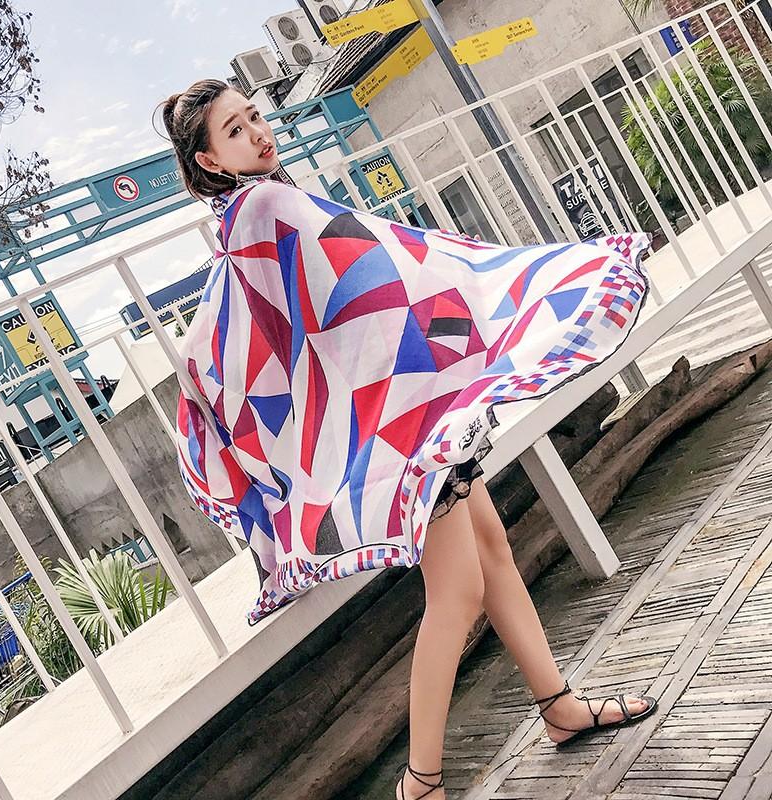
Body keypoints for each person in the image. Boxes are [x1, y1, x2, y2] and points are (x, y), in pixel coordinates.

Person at [159, 79, 658, 799]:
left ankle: (558, 708)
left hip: (397, 410)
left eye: (256, 116)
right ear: (209, 160)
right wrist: (481, 285)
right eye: (235, 131)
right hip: (400, 419)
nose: (259, 132)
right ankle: (420, 782)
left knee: (492, 553)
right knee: (457, 593)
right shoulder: (264, 207)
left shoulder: (242, 225)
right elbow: (384, 268)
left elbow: (281, 324)